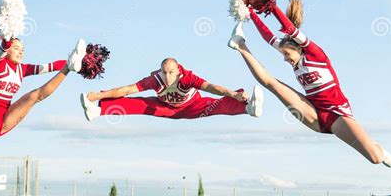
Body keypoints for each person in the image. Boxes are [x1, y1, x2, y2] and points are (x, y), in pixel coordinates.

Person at [227, 0, 391, 167]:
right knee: (272, 84)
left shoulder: (316, 55)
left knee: (375, 158)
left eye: (287, 55)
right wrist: (250, 12)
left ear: (297, 48)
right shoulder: (293, 55)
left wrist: (273, 7)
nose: (285, 59)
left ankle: (379, 149)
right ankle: (240, 44)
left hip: (336, 114)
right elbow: (268, 37)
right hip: (312, 110)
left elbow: (290, 29)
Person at [0, 38, 107, 178]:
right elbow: (4, 46)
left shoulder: (22, 69)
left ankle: (70, 66)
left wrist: (81, 62)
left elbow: (50, 66)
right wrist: (7, 36)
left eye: (23, 49)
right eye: (16, 48)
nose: (21, 52)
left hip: (4, 112)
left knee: (35, 96)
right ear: (7, 51)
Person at [80, 58, 263, 121]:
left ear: (178, 70)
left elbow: (211, 87)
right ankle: (98, 110)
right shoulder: (154, 80)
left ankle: (248, 108)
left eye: (171, 72)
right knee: (138, 104)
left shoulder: (188, 78)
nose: (167, 77)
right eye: (164, 72)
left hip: (192, 106)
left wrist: (233, 93)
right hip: (165, 107)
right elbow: (127, 89)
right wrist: (98, 95)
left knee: (217, 105)